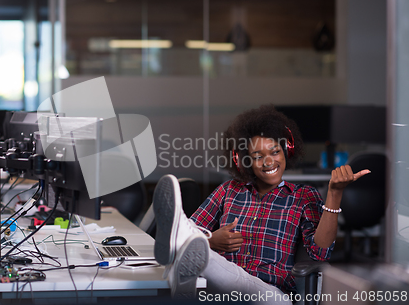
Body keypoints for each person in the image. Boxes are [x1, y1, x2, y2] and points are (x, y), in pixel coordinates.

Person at [153, 105, 370, 303]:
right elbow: (197, 227)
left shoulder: (304, 196)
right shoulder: (229, 190)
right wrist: (212, 240)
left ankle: (182, 258)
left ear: (287, 151)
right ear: (243, 160)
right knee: (194, 243)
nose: (268, 162)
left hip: (271, 294)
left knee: (210, 261)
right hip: (223, 292)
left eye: (275, 152)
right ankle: (184, 257)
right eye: (258, 156)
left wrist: (334, 193)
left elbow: (319, 254)